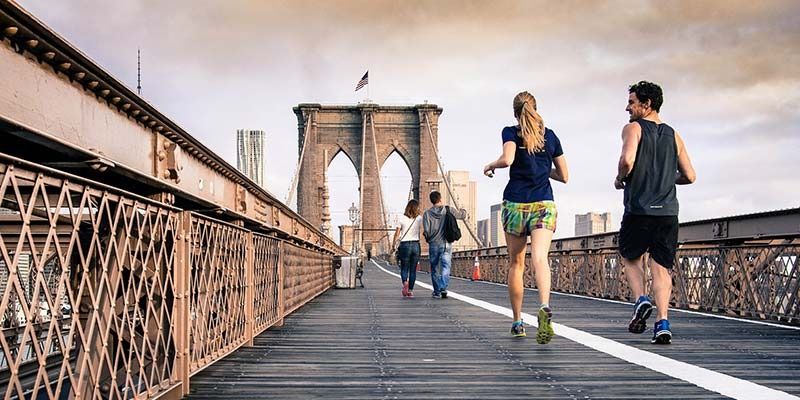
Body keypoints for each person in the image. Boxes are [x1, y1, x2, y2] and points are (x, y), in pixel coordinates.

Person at [483, 91, 568, 344]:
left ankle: (518, 321)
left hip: (516, 204)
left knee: (516, 264)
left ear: (514, 112)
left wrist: (490, 165)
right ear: (535, 108)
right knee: (540, 258)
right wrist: (543, 169)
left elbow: (508, 159)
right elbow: (564, 175)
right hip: (543, 202)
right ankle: (543, 305)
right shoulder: (550, 136)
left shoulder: (510, 132)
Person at [615, 81, 696, 344]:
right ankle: (662, 323)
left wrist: (620, 178)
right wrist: (665, 179)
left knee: (630, 257)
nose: (627, 107)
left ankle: (641, 300)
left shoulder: (633, 128)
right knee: (661, 269)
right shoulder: (674, 135)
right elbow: (690, 176)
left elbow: (627, 160)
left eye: (631, 102)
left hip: (639, 208)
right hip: (668, 213)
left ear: (646, 104)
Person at [422, 190, 464, 299]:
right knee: (446, 266)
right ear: (440, 199)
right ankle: (443, 287)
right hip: (446, 244)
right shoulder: (448, 209)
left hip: (434, 244)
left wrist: (429, 239)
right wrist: (463, 209)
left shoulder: (427, 214)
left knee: (434, 267)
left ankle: (437, 292)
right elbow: (462, 215)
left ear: (431, 201)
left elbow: (426, 231)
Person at [393, 199, 422, 298]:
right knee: (413, 270)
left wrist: (393, 245)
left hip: (404, 245)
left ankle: (405, 282)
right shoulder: (419, 218)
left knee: (404, 267)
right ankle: (410, 290)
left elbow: (397, 233)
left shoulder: (401, 218)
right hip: (415, 245)